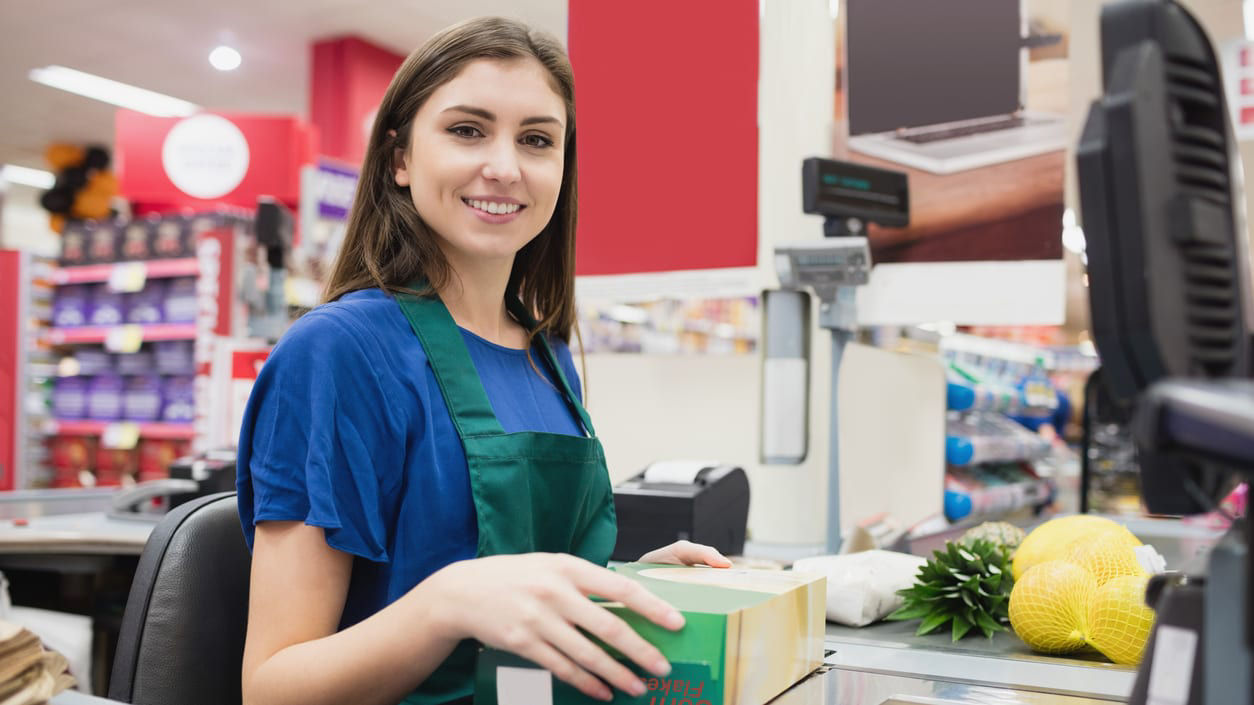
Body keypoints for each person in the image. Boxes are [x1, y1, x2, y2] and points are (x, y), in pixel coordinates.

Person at [235, 16, 731, 705]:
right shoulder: (339, 353)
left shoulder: (548, 354)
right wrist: (446, 603)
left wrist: (622, 590)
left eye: (536, 140)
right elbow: (271, 687)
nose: (504, 166)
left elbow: (525, 599)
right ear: (399, 159)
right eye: (468, 130)